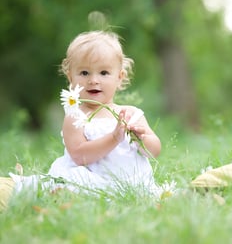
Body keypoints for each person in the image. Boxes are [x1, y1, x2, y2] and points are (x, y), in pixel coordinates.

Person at [0, 31, 163, 211]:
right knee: (67, 186)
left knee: (146, 196)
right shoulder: (75, 115)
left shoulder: (131, 113)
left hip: (129, 183)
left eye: (104, 73)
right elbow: (79, 156)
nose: (93, 80)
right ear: (71, 78)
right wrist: (114, 138)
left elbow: (154, 151)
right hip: (89, 180)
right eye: (84, 72)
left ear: (119, 77)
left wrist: (143, 138)